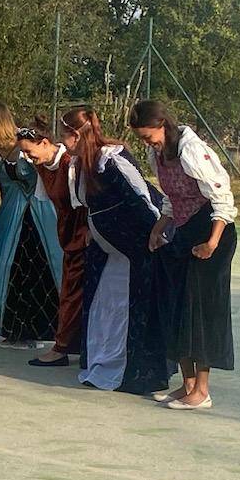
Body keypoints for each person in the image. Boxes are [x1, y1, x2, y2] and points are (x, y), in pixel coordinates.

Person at [130, 99, 238, 411]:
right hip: (184, 230)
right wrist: (159, 227)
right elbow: (171, 197)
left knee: (200, 310)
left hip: (212, 230)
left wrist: (212, 242)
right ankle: (187, 384)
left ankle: (202, 391)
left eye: (148, 136)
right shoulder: (157, 153)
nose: (146, 143)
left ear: (162, 125)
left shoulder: (192, 150)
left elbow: (221, 196)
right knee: (176, 305)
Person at [64, 105, 172, 396]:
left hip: (134, 254)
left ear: (77, 135)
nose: (62, 140)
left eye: (65, 134)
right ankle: (102, 361)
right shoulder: (83, 164)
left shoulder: (111, 160)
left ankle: (134, 372)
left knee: (127, 311)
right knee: (104, 308)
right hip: (110, 254)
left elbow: (141, 197)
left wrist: (157, 231)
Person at [0, 104, 62, 348]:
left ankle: (43, 330)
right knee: (6, 266)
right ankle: (14, 329)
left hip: (40, 211)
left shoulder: (25, 145)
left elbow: (49, 176)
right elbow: (4, 186)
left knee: (39, 266)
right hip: (12, 211)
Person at [16, 120, 88, 368]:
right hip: (68, 233)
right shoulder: (42, 166)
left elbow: (86, 202)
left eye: (29, 151)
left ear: (45, 143)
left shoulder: (70, 164)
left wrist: (86, 232)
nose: (27, 157)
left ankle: (62, 347)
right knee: (71, 291)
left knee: (72, 292)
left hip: (83, 234)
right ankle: (76, 345)